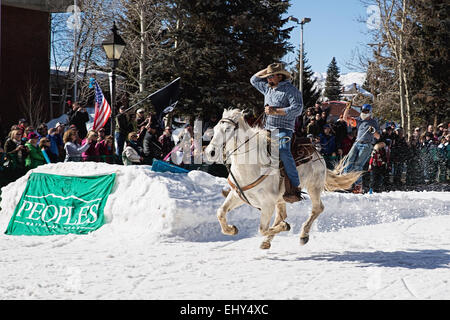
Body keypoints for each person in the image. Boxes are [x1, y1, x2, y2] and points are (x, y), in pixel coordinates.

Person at [250, 62, 303, 202]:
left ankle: (294, 186)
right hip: (267, 128)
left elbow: (298, 109)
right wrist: (268, 69)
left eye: (271, 76)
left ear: (280, 76)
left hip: (283, 129)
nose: (268, 79)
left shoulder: (291, 90)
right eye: (267, 76)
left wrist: (276, 111)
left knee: (283, 150)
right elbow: (253, 80)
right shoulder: (267, 88)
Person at [343, 103, 380, 193]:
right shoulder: (359, 120)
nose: (364, 113)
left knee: (357, 165)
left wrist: (373, 131)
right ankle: (345, 183)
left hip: (366, 145)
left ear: (370, 112)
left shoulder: (373, 122)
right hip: (357, 143)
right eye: (362, 111)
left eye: (366, 111)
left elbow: (378, 136)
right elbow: (345, 118)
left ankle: (358, 186)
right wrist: (347, 108)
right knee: (348, 162)